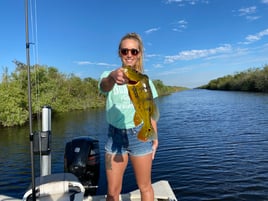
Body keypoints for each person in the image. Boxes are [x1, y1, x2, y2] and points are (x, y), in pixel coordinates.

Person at [98, 32, 159, 201]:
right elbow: (104, 86)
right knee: (112, 192)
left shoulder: (146, 81)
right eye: (125, 51)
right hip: (114, 138)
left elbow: (150, 112)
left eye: (134, 51)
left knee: (145, 186)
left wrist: (154, 137)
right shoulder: (108, 76)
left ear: (139, 54)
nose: (129, 55)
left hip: (140, 136)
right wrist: (112, 76)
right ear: (119, 53)